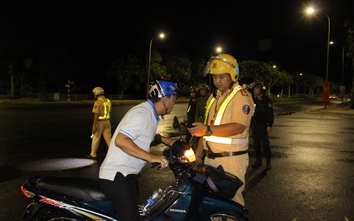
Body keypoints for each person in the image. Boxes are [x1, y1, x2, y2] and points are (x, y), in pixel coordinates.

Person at [99, 77, 178, 221]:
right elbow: (121, 140)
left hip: (127, 176)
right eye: (174, 99)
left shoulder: (150, 113)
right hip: (117, 178)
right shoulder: (143, 114)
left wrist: (168, 140)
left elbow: (145, 136)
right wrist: (152, 157)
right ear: (166, 99)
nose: (174, 103)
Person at [187, 54, 254, 206]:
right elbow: (207, 125)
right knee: (213, 203)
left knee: (231, 203)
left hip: (231, 159)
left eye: (221, 77)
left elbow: (239, 127)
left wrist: (207, 129)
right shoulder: (214, 97)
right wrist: (199, 148)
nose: (217, 81)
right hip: (211, 158)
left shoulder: (241, 96)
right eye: (215, 77)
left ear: (233, 75)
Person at [250, 81, 274, 170]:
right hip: (255, 125)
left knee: (265, 145)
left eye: (257, 89)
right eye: (254, 89)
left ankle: (268, 162)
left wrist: (269, 125)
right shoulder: (253, 100)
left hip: (263, 125)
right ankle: (258, 161)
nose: (255, 91)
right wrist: (249, 125)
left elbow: (270, 113)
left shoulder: (266, 100)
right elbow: (251, 114)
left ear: (260, 89)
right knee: (256, 145)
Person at [88, 87, 112, 158]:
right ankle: (114, 153)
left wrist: (94, 125)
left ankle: (93, 154)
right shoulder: (108, 101)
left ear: (96, 94)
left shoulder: (98, 102)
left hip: (100, 122)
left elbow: (96, 114)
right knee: (108, 139)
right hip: (107, 122)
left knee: (96, 138)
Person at [192, 84, 209, 151]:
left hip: (205, 120)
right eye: (201, 91)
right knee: (196, 138)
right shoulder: (199, 100)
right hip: (199, 120)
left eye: (203, 90)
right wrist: (195, 122)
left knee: (205, 137)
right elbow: (197, 112)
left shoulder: (208, 100)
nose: (202, 92)